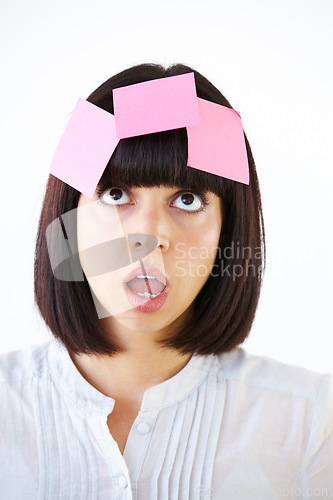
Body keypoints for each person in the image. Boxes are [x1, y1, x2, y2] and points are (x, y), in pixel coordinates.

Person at [0, 63, 332, 499]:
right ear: (69, 220)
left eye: (188, 199)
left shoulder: (311, 422)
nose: (150, 237)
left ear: (226, 232)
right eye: (116, 194)